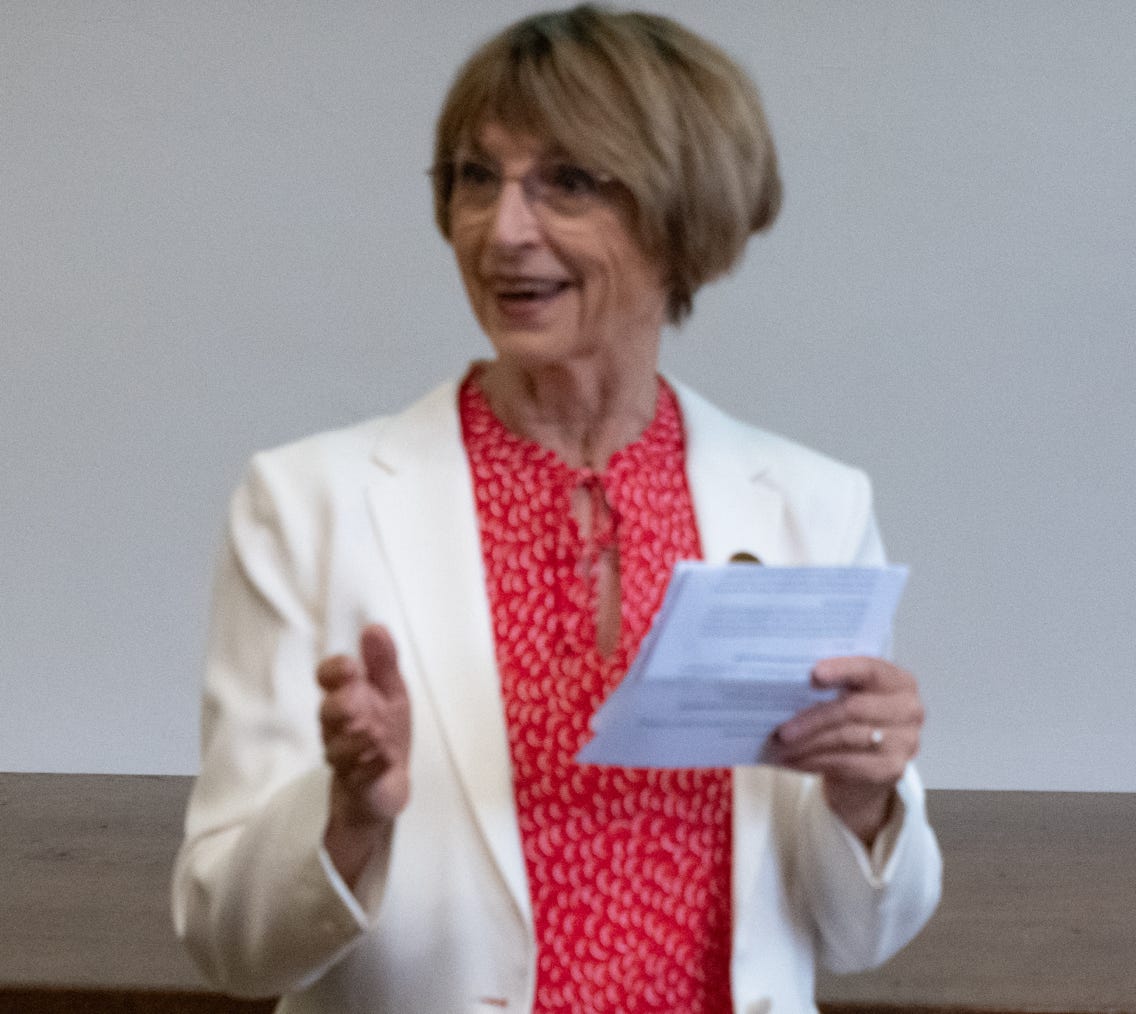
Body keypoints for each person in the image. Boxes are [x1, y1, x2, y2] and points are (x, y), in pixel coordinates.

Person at [172, 6, 941, 1012]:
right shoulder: (307, 503)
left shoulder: (811, 504)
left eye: (566, 183)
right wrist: (348, 814)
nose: (503, 229)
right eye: (473, 178)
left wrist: (865, 797)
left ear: (682, 211)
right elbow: (226, 942)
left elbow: (858, 935)